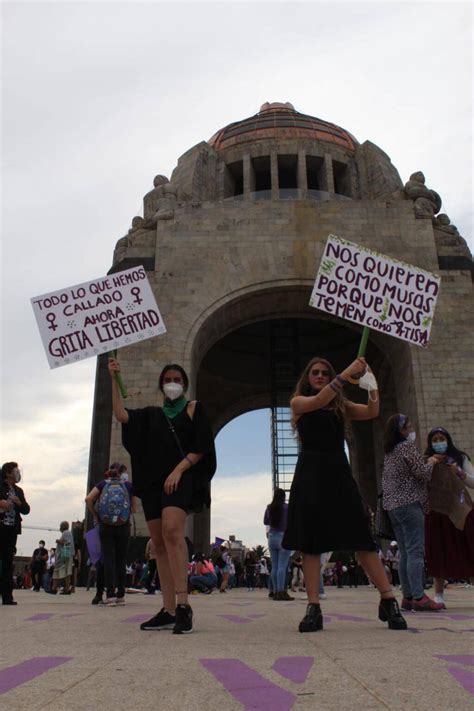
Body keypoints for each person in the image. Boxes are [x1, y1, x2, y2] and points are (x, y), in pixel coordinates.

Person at [282, 356, 407, 632]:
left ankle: (388, 599)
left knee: (361, 536)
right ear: (307, 377)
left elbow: (372, 411)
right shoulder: (299, 402)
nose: (320, 376)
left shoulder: (340, 405)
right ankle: (313, 606)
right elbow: (317, 402)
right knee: (311, 542)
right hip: (310, 473)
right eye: (315, 372)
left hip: (338, 471)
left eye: (325, 373)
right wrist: (345, 373)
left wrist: (371, 384)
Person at [109, 357, 216, 634]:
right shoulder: (152, 414)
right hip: (154, 484)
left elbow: (201, 446)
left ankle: (183, 605)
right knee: (158, 544)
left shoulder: (194, 409)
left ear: (185, 384)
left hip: (180, 478)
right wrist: (114, 377)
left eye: (177, 380)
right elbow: (122, 415)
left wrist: (179, 470)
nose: (172, 384)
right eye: (168, 379)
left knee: (172, 531)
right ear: (161, 385)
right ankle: (168, 609)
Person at [382, 414, 444, 612]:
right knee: (415, 551)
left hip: (393, 507)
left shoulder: (390, 452)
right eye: (409, 427)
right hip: (410, 504)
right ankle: (419, 597)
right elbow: (423, 473)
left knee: (405, 553)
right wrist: (432, 461)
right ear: (401, 430)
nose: (411, 430)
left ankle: (407, 597)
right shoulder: (407, 447)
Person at [424, 426, 474, 607]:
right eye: (434, 440)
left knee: (468, 549)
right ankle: (439, 594)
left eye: (441, 438)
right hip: (437, 512)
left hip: (460, 511)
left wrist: (460, 472)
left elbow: (473, 481)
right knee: (439, 552)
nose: (438, 442)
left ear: (448, 439)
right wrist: (430, 464)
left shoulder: (460, 458)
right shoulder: (426, 460)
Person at [85, 465, 137, 606]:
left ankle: (110, 595)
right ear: (121, 474)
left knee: (108, 559)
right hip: (123, 526)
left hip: (106, 526)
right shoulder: (128, 486)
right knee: (121, 559)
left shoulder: (103, 484)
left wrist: (96, 516)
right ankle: (121, 595)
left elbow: (88, 499)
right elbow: (134, 508)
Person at [0, 462, 30, 605]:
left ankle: (7, 597)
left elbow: (26, 509)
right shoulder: (0, 486)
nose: (18, 472)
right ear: (7, 473)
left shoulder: (18, 490)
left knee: (7, 562)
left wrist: (19, 502)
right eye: (15, 470)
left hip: (11, 530)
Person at [264, 488, 293, 601]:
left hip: (271, 537)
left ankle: (276, 591)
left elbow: (266, 522)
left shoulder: (269, 507)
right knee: (282, 566)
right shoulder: (287, 507)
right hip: (283, 537)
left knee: (275, 566)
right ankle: (281, 591)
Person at [51, 521, 74, 595]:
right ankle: (67, 588)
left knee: (57, 571)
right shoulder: (69, 533)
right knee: (67, 572)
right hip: (68, 555)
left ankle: (54, 588)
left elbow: (67, 543)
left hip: (64, 555)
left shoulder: (65, 533)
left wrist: (58, 541)